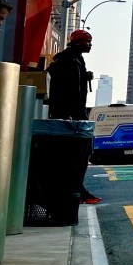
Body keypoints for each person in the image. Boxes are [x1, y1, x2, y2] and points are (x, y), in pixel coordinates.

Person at [47, 29, 100, 204]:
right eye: (87, 41)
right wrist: (64, 113)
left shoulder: (78, 60)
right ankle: (73, 192)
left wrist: (85, 76)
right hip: (67, 117)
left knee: (82, 153)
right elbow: (57, 85)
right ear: (77, 42)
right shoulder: (64, 59)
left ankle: (77, 190)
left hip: (77, 114)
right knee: (73, 156)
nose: (90, 45)